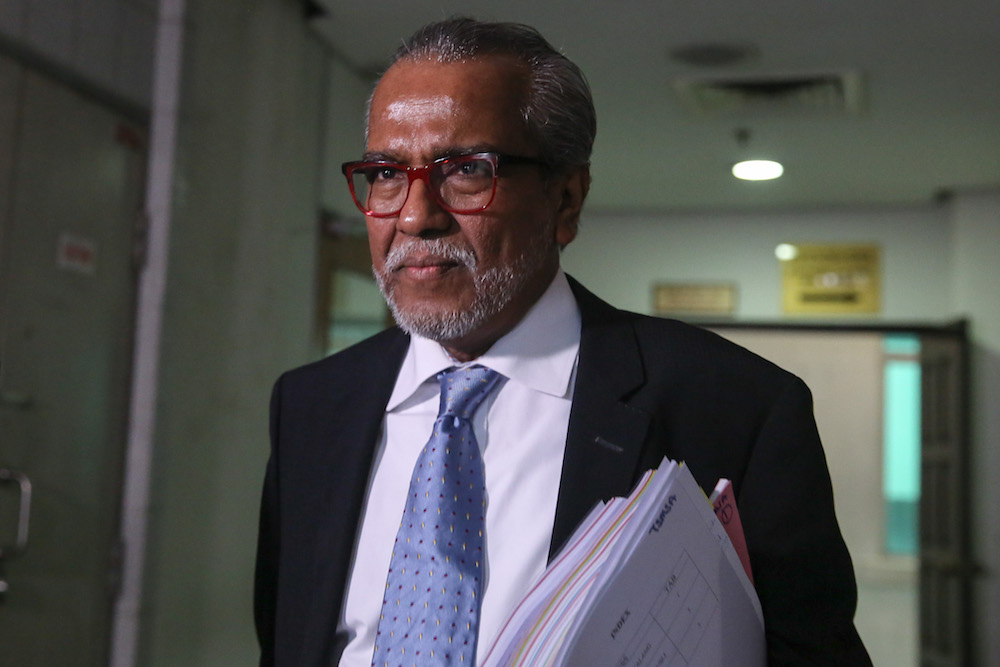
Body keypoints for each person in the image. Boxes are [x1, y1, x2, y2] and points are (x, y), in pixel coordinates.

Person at [254, 17, 872, 667]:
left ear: (567, 199)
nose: (414, 215)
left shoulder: (734, 408)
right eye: (385, 173)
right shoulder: (311, 407)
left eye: (466, 170)